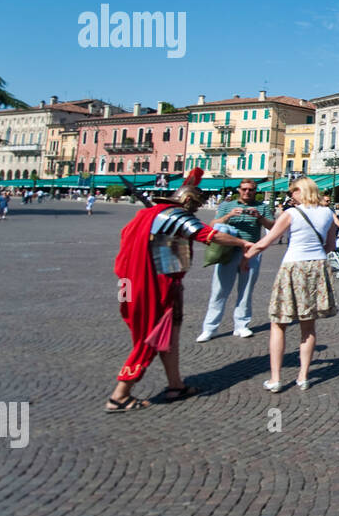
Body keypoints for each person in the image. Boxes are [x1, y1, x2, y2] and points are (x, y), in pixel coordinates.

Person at [106, 169, 256, 412]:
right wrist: (243, 243)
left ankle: (175, 385)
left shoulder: (147, 215)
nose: (195, 211)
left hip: (148, 282)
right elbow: (208, 234)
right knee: (151, 337)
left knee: (169, 335)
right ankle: (120, 395)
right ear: (188, 201)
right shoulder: (175, 215)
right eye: (195, 206)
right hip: (154, 286)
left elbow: (161, 247)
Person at [245, 176, 337, 392]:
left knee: (279, 323)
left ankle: (276, 379)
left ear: (301, 191)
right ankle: (303, 377)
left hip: (293, 266)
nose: (290, 195)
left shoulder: (291, 214)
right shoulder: (328, 213)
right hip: (317, 267)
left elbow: (268, 241)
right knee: (308, 325)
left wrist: (247, 253)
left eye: (292, 191)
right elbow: (331, 245)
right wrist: (315, 257)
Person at [197, 179, 274, 342]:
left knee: (246, 290)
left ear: (255, 191)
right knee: (219, 290)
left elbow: (272, 226)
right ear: (239, 190)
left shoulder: (262, 207)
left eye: (251, 190)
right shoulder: (227, 205)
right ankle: (210, 328)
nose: (247, 192)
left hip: (251, 251)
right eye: (244, 189)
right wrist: (229, 215)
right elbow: (212, 225)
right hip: (228, 251)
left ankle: (241, 325)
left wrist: (259, 217)